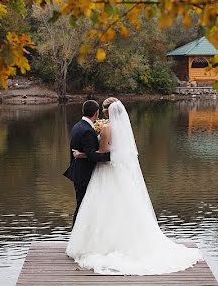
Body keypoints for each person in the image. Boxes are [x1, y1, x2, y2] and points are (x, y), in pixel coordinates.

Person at [66, 97, 201, 275]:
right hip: (118, 172)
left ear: (105, 112)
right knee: (121, 206)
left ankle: (100, 242)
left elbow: (101, 153)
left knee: (101, 207)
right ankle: (122, 240)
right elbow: (120, 153)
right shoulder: (122, 129)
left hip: (105, 172)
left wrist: (82, 155)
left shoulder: (106, 128)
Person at [63, 100, 111, 225]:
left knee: (83, 205)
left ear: (83, 111)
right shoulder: (87, 131)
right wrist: (114, 156)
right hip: (83, 174)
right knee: (82, 206)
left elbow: (87, 152)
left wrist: (81, 155)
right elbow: (93, 156)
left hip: (79, 171)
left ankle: (80, 237)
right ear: (96, 113)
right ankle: (76, 237)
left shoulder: (78, 126)